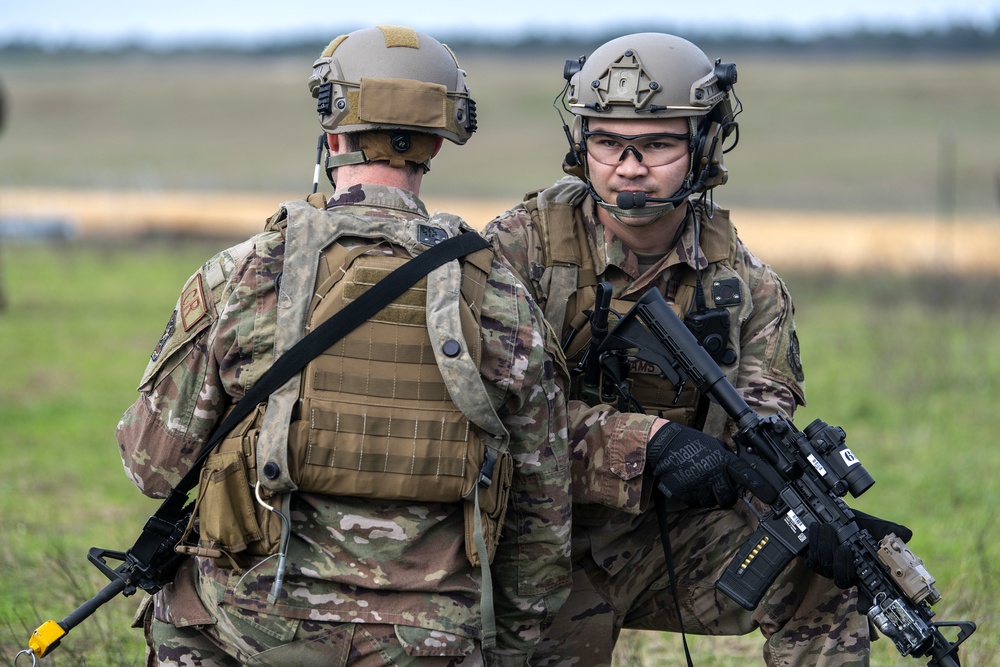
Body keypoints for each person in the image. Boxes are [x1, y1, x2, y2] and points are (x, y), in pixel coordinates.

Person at [116, 25, 571, 666]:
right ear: (439, 141)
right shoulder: (502, 294)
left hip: (259, 629)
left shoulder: (242, 273)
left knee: (175, 606)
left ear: (332, 134)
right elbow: (541, 515)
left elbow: (151, 465)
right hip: (431, 643)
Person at [483, 32, 901, 666]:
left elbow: (757, 433)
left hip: (668, 538)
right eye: (606, 141)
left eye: (656, 143)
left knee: (820, 570)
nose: (628, 165)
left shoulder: (747, 285)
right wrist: (645, 444)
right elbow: (492, 425)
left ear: (704, 144)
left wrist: (816, 522)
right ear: (580, 146)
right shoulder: (514, 254)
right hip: (534, 537)